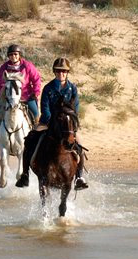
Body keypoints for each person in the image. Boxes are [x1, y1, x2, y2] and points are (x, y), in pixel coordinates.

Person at [15, 58, 87, 190]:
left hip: (66, 124)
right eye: (59, 71)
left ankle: (79, 177)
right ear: (55, 72)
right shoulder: (48, 88)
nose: (61, 74)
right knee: (30, 139)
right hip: (48, 122)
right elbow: (45, 107)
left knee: (80, 145)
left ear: (67, 73)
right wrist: (52, 121)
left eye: (64, 71)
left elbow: (75, 108)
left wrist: (72, 121)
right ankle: (25, 175)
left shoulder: (73, 88)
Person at [0, 44, 42, 147]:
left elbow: (36, 80)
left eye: (15, 54)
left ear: (19, 55)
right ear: (8, 56)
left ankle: (36, 139)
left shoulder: (27, 66)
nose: (13, 56)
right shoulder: (4, 67)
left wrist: (35, 93)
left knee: (36, 114)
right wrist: (3, 93)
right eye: (11, 54)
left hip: (25, 96)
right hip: (9, 96)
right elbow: (0, 82)